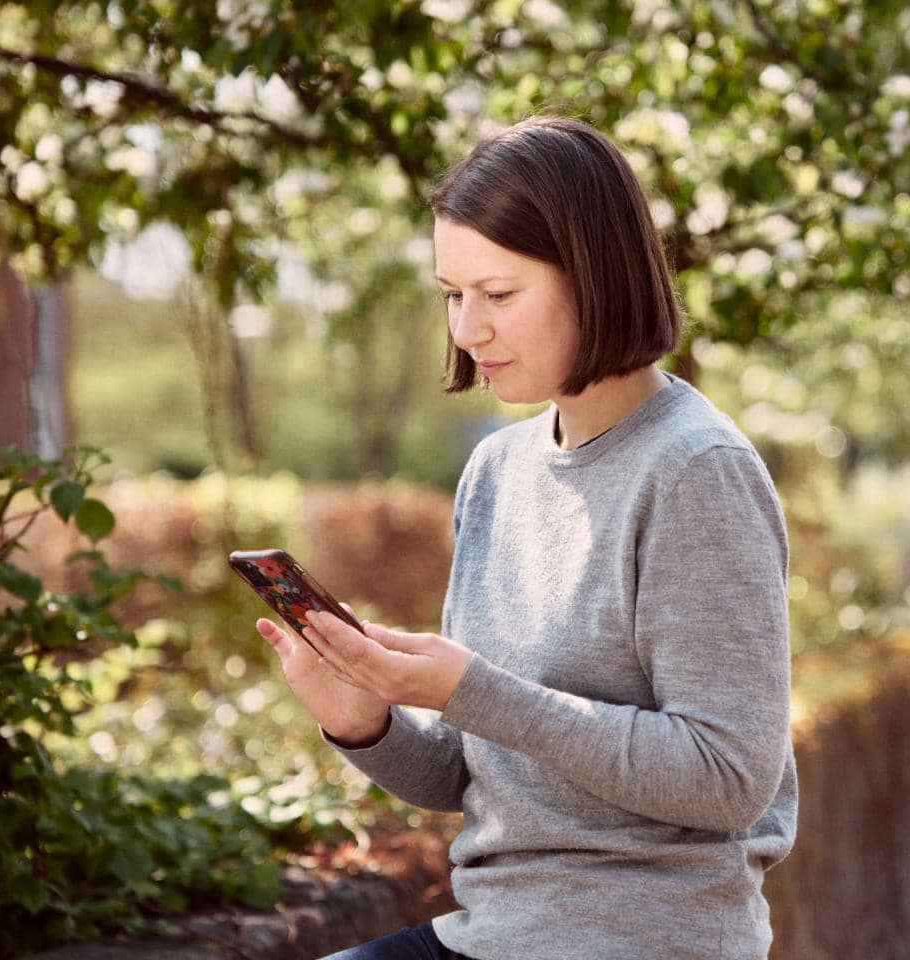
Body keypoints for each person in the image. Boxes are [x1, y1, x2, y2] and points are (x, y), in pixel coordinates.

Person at [254, 116, 798, 960]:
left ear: (597, 277)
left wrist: (475, 689)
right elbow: (473, 775)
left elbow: (727, 779)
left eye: (498, 295)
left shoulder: (695, 472)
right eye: (452, 294)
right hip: (494, 934)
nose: (468, 329)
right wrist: (365, 723)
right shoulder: (497, 471)